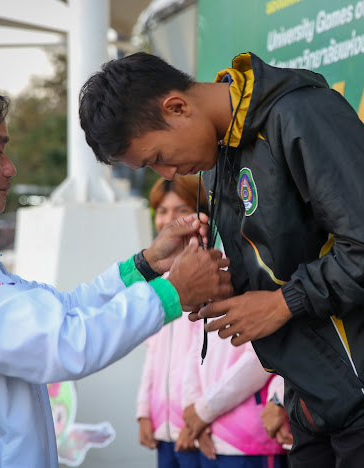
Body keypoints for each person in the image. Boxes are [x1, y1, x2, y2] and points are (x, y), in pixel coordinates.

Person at [78, 51, 364, 468]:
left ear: (177, 107)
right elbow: (282, 265)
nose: (168, 174)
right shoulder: (218, 155)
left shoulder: (300, 113)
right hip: (317, 397)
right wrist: (217, 282)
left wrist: (283, 303)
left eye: (157, 157)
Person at [0, 76, 233, 467]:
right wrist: (172, 292)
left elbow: (58, 311)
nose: (9, 168)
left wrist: (144, 266)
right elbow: (62, 343)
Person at [136, 175, 207, 468]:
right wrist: (143, 412)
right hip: (163, 429)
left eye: (182, 210)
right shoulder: (158, 280)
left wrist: (200, 415)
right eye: (162, 211)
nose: (169, 220)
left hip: (201, 429)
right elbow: (153, 353)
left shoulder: (210, 272)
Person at [178, 327, 287, 468]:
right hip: (208, 436)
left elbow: (259, 359)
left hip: (248, 437)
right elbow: (194, 355)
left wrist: (203, 411)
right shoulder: (200, 315)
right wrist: (194, 415)